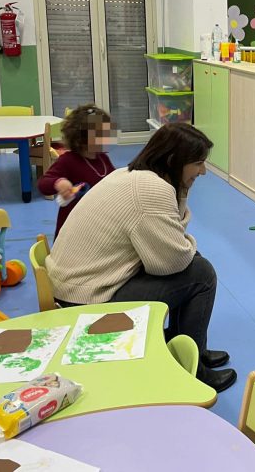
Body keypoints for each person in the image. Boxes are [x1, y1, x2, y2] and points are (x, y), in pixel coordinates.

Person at [45, 123, 236, 392]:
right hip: (85, 297)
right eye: (198, 163)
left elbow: (172, 238)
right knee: (201, 273)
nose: (203, 171)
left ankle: (188, 347)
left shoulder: (134, 175)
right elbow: (172, 261)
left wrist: (181, 192)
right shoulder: (151, 189)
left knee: (194, 261)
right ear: (174, 160)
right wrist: (187, 244)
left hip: (74, 283)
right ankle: (193, 370)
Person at [37, 104, 116, 239]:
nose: (106, 138)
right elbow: (43, 184)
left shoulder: (103, 159)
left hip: (97, 227)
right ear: (82, 138)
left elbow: (114, 181)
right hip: (73, 232)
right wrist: (59, 182)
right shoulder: (68, 160)